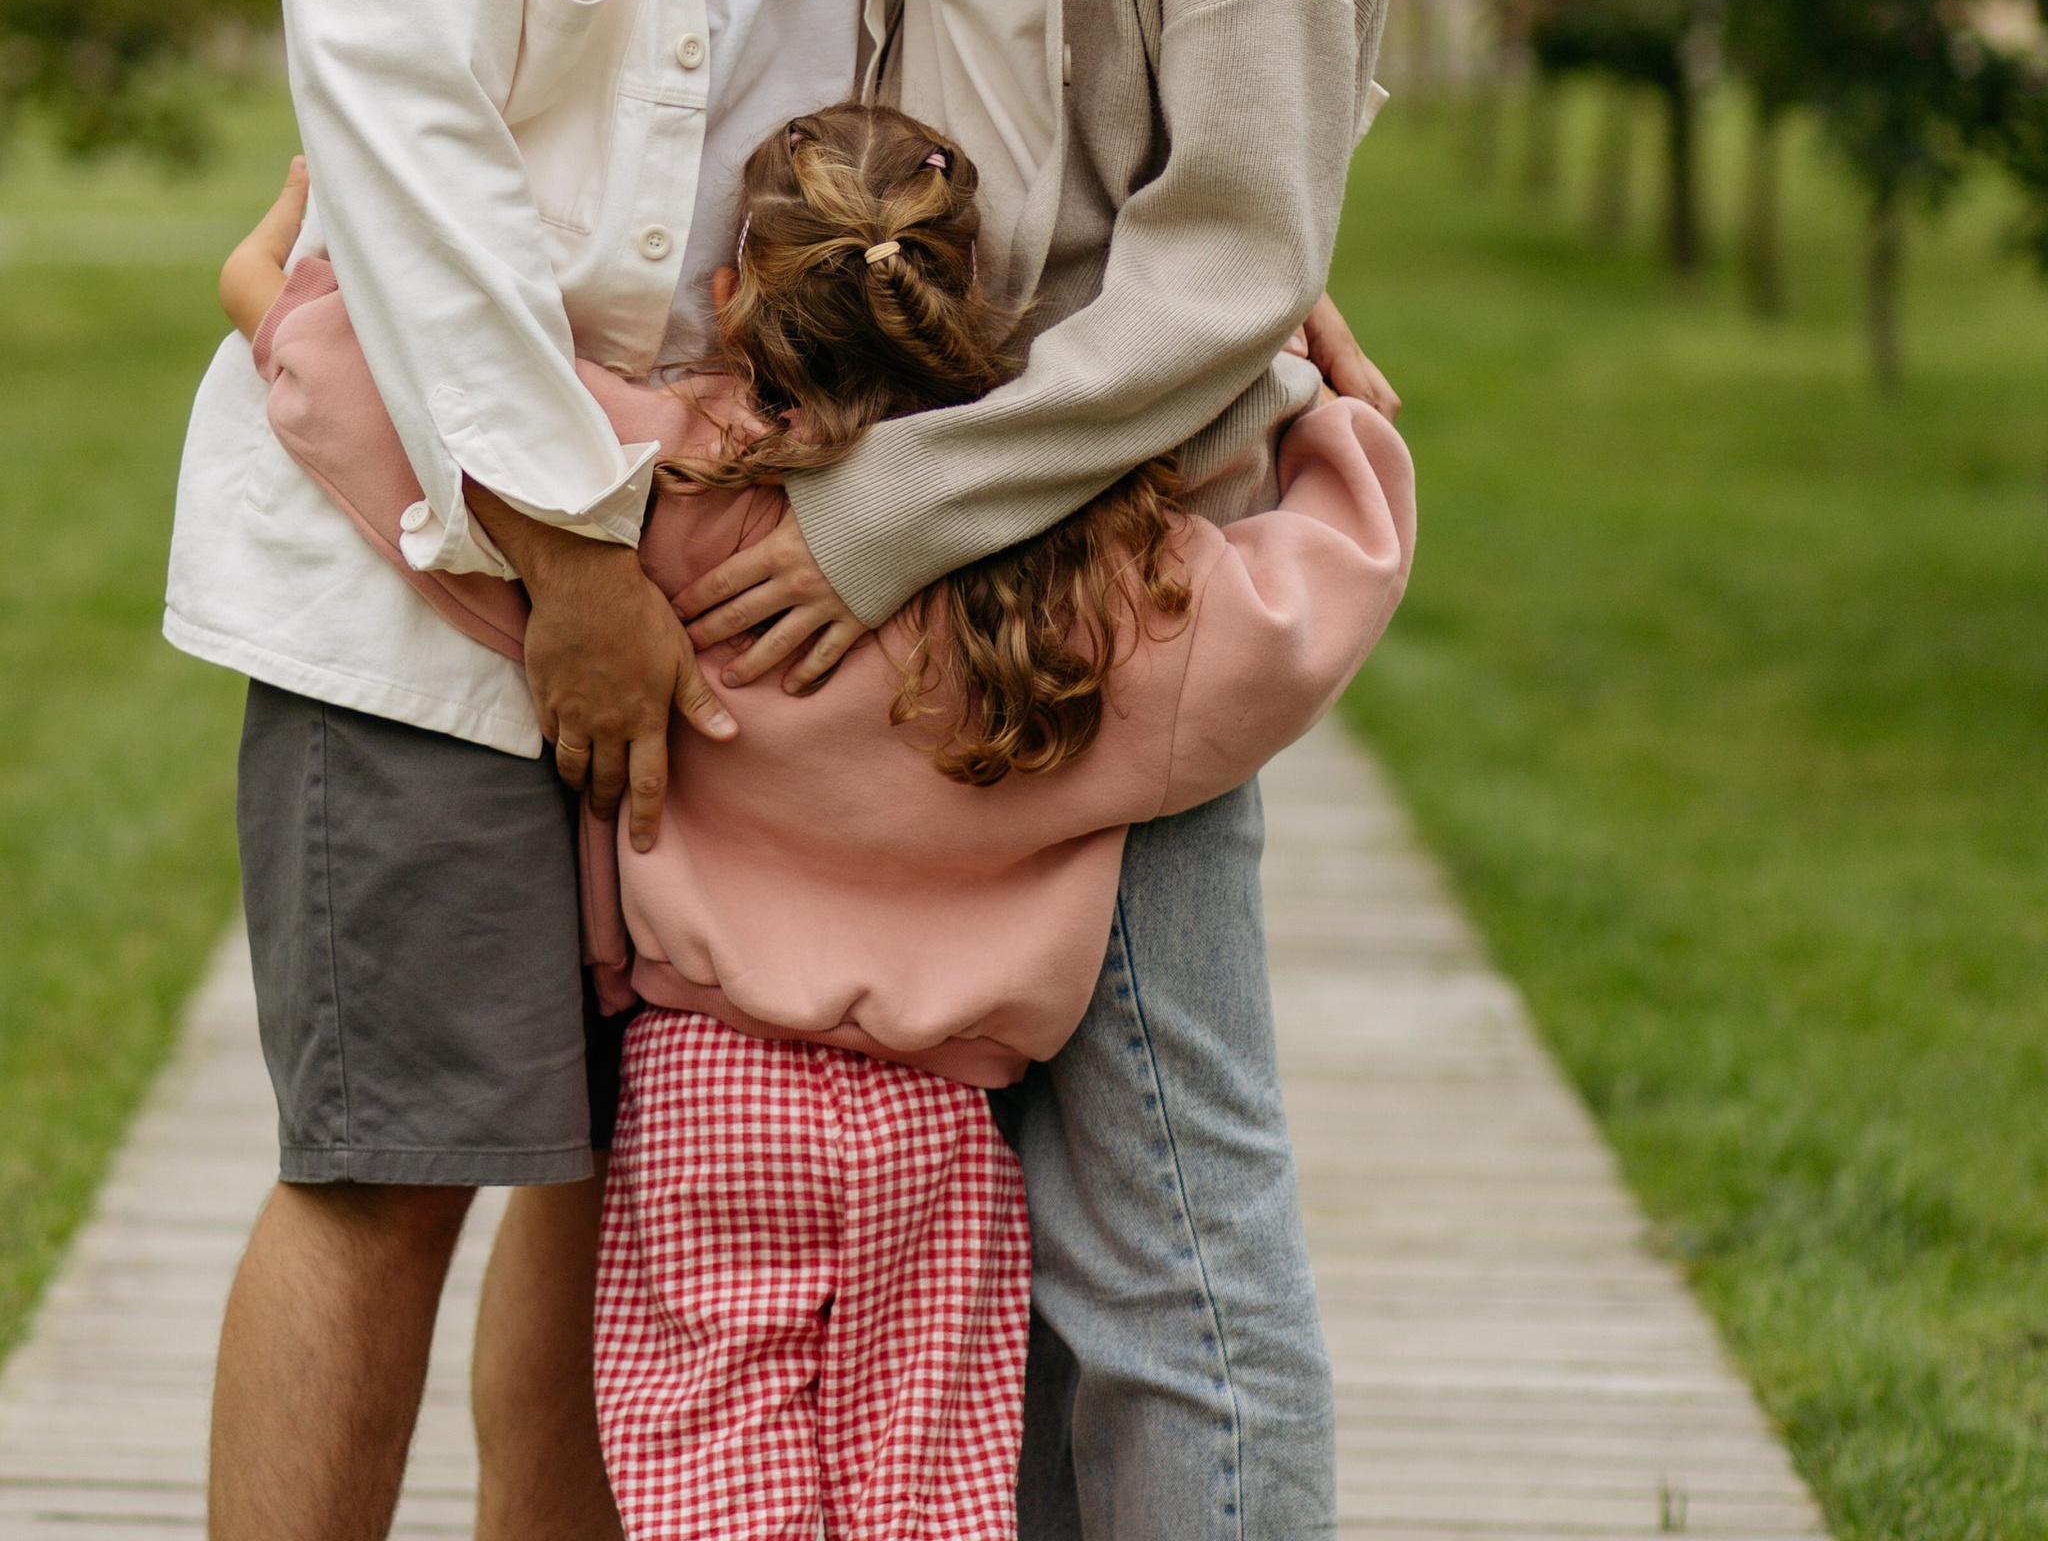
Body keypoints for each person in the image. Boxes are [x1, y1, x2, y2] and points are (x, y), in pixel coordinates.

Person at [162, 0, 912, 1541]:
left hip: (749, 536)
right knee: (392, 1157)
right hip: (428, 547)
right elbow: (405, 175)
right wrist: (569, 560)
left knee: (622, 1179)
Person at [216, 103, 1414, 1541]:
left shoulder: (668, 501)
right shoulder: (1088, 586)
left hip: (707, 1105)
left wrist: (263, 288)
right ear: (973, 308)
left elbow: (380, 405)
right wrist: (1301, 381)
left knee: (713, 1484)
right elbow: (1328, 586)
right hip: (939, 1129)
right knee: (921, 1502)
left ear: (735, 293)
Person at [669, 0, 1412, 1535]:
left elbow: (1225, 268)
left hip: (1107, 549)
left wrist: (877, 520)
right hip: (961, 503)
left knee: (1162, 1239)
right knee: (969, 1212)